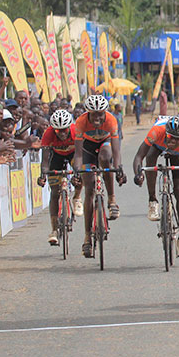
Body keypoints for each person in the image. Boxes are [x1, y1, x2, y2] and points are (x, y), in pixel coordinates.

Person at [72, 95, 126, 258]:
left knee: (105, 158)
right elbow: (79, 154)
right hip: (87, 148)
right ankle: (87, 236)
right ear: (88, 113)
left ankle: (112, 199)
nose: (97, 118)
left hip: (105, 143)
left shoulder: (111, 120)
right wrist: (77, 170)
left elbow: (116, 151)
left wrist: (118, 168)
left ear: (105, 113)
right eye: (93, 114)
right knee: (89, 190)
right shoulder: (80, 122)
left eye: (100, 114)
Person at [132, 116, 179, 257]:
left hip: (178, 155)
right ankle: (152, 200)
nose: (172, 141)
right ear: (166, 132)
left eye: (177, 139)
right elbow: (138, 156)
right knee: (150, 157)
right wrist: (138, 174)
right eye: (171, 137)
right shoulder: (157, 131)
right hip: (157, 145)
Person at [37, 110, 83, 246]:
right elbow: (45, 161)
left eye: (64, 130)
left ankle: (77, 197)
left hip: (74, 154)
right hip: (56, 156)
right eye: (58, 131)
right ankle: (54, 229)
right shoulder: (48, 134)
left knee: (80, 173)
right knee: (55, 192)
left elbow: (80, 157)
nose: (62, 134)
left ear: (69, 127)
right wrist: (42, 175)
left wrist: (77, 174)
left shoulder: (76, 131)